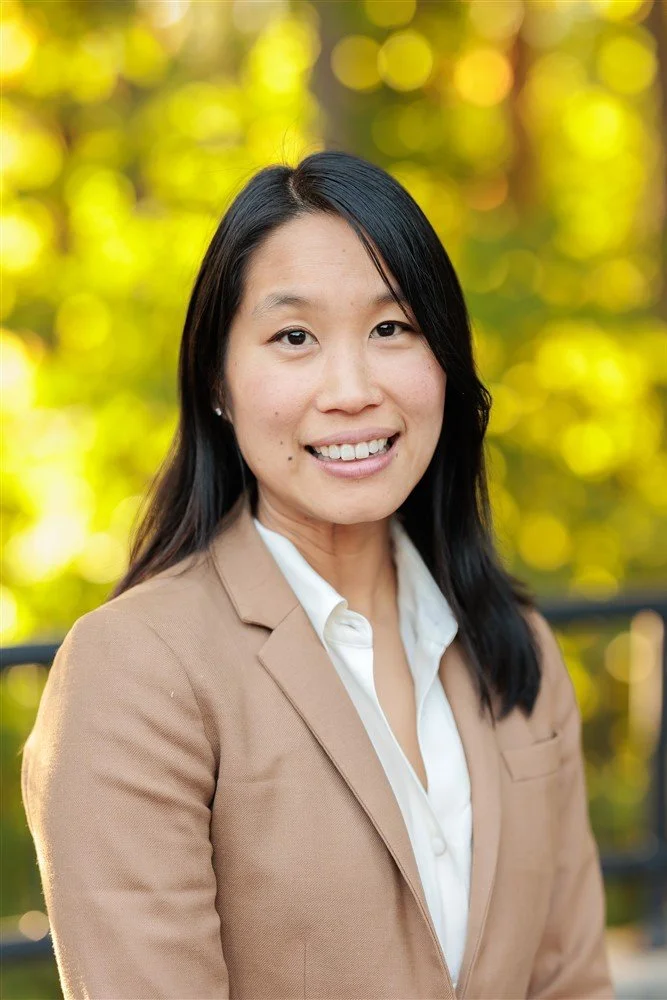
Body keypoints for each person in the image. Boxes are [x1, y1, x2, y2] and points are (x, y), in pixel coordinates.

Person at [20, 150, 615, 1000]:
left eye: (391, 328)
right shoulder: (136, 671)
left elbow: (571, 983)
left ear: (445, 361)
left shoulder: (513, 648)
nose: (351, 389)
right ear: (218, 382)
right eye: (293, 337)